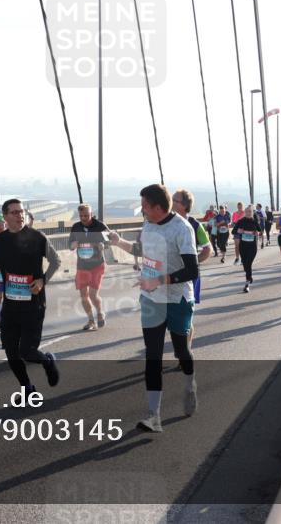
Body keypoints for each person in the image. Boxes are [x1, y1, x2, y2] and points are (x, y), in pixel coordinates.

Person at [109, 184, 199, 433]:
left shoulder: (182, 229)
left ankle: (190, 384)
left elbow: (192, 271)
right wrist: (119, 243)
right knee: (153, 355)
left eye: (145, 207)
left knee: (182, 351)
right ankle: (154, 415)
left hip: (177, 298)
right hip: (151, 299)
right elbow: (141, 250)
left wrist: (158, 280)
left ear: (158, 208)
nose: (143, 211)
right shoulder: (148, 225)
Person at [0, 199, 61, 394]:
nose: (20, 215)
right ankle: (27, 389)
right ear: (5, 216)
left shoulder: (37, 237)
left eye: (22, 212)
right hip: (10, 305)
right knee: (11, 352)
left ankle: (47, 361)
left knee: (27, 351)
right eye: (15, 212)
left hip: (33, 303)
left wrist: (42, 281)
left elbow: (56, 261)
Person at [172, 189, 212, 351]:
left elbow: (207, 249)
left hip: (189, 276)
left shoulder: (195, 225)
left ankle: (186, 350)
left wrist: (193, 264)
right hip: (171, 275)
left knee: (187, 317)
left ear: (184, 205)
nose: (171, 202)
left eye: (174, 200)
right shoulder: (167, 222)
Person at [68, 203, 109, 331]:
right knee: (83, 295)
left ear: (91, 214)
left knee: (92, 294)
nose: (84, 218)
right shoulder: (76, 227)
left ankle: (100, 312)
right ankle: (91, 320)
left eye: (86, 215)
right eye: (81, 216)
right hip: (82, 266)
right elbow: (69, 245)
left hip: (97, 264)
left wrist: (103, 244)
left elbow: (110, 240)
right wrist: (72, 245)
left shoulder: (100, 226)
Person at [232, 206, 261, 293]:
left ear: (252, 212)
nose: (248, 213)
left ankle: (247, 283)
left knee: (248, 263)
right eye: (247, 211)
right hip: (243, 246)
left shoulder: (254, 221)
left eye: (250, 211)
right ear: (245, 212)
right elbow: (233, 231)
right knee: (245, 265)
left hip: (252, 246)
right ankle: (249, 277)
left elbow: (260, 231)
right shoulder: (241, 221)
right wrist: (238, 231)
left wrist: (257, 233)